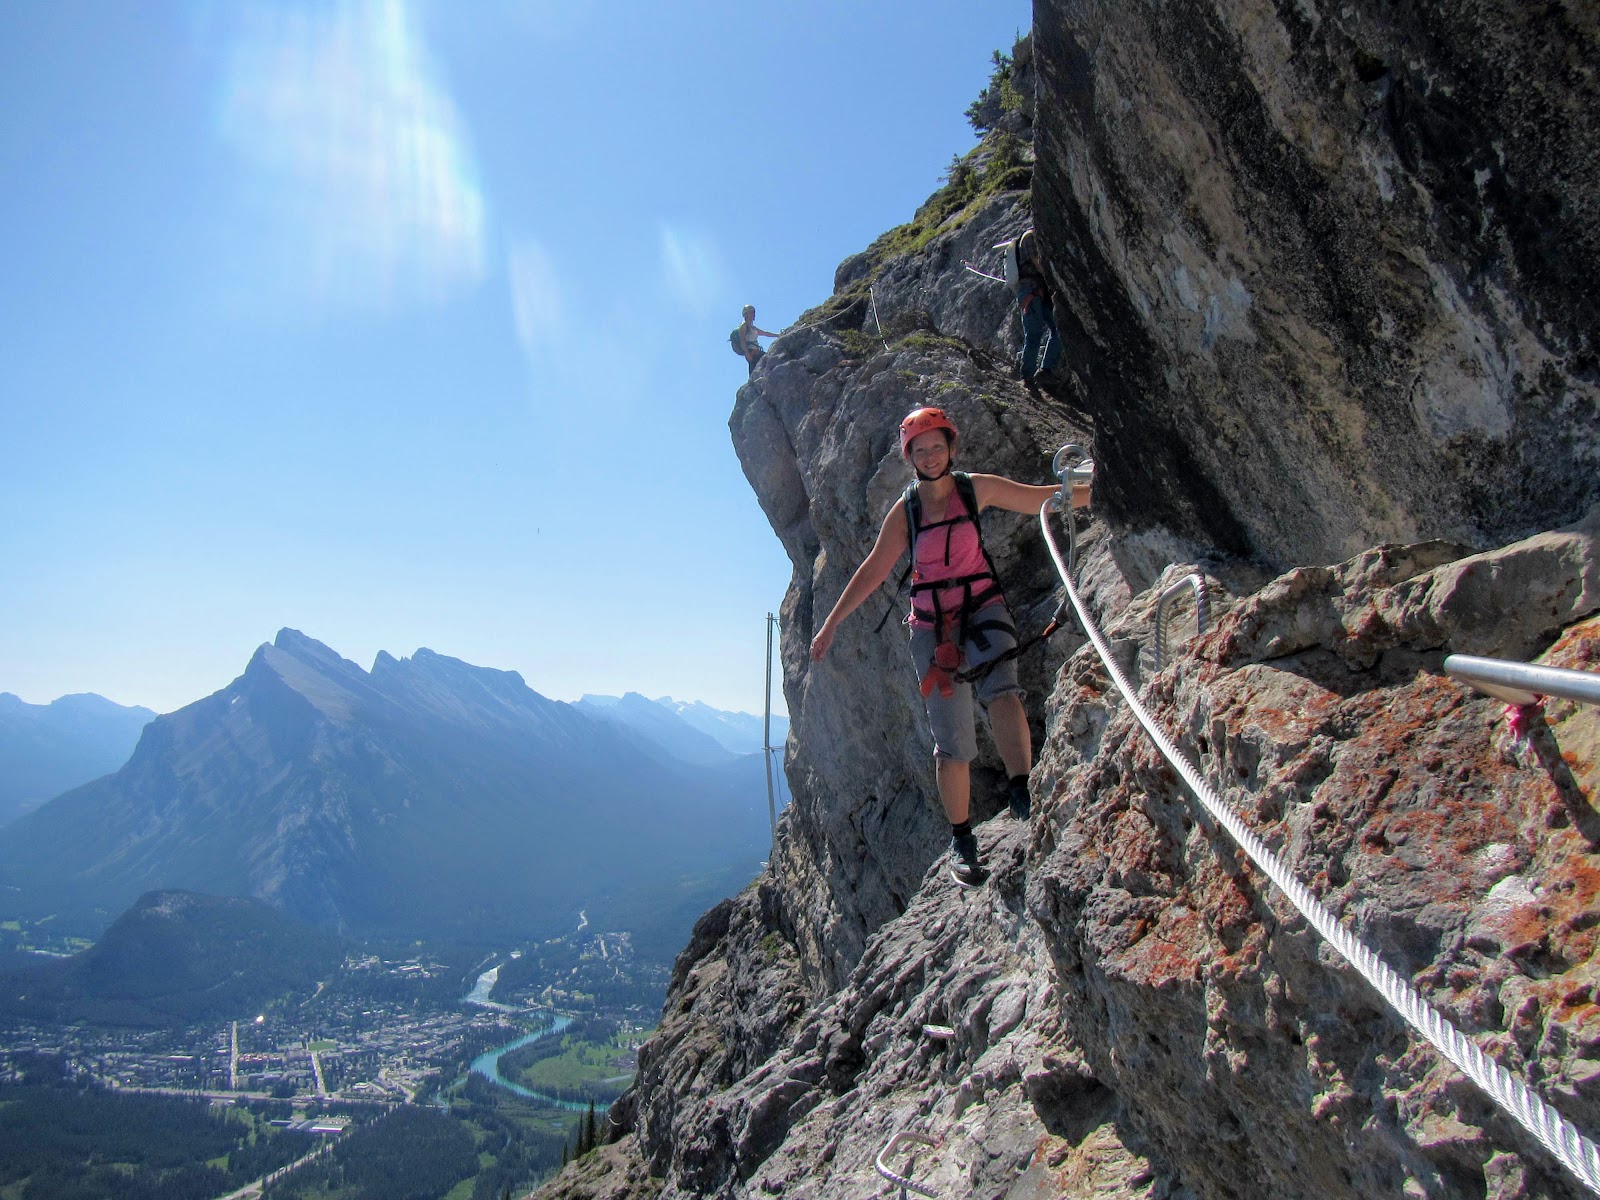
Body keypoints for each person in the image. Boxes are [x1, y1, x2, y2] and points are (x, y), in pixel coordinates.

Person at [808, 406, 1092, 886]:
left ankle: (1023, 791)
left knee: (1001, 690)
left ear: (951, 447)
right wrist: (832, 622)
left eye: (937, 446)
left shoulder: (974, 487)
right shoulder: (908, 510)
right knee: (952, 739)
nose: (931, 455)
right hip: (932, 626)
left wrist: (1096, 485)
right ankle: (963, 839)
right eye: (921, 449)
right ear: (910, 457)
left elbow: (1041, 500)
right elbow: (875, 569)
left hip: (983, 606)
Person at [1002, 229, 1062, 381]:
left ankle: (1045, 370)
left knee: (1058, 328)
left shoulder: (1033, 236)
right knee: (1034, 334)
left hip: (1037, 291)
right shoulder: (1030, 237)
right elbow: (1038, 263)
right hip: (1031, 290)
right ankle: (1028, 376)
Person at [735, 305, 779, 375]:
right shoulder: (743, 326)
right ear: (746, 314)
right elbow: (742, 340)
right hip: (751, 353)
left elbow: (765, 333)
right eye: (751, 312)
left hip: (756, 352)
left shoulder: (753, 328)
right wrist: (746, 353)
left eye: (753, 312)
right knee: (765, 362)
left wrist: (777, 335)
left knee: (758, 368)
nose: (753, 314)